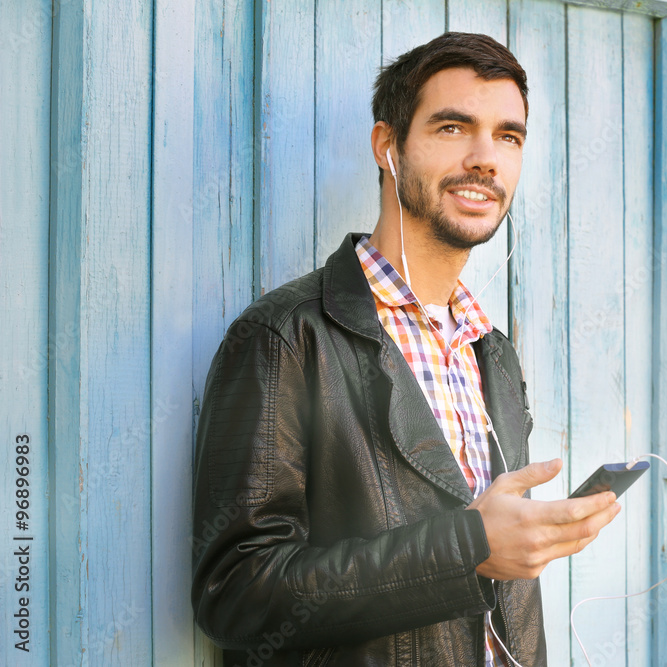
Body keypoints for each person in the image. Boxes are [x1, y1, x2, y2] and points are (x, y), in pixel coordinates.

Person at [191, 32, 621, 666]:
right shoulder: (285, 336)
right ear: (387, 147)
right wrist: (465, 546)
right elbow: (235, 593)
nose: (485, 158)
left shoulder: (491, 353)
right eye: (453, 128)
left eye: (509, 136)